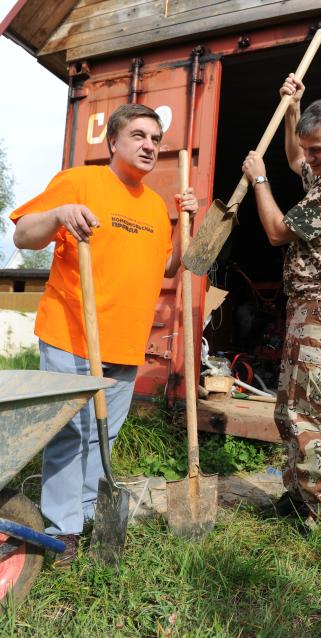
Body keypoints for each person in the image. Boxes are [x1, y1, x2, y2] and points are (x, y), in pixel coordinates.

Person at [10, 104, 198, 564]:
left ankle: (94, 516)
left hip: (124, 343)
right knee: (70, 434)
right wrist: (59, 214)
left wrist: (186, 225)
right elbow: (23, 237)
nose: (150, 145)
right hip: (72, 334)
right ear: (113, 142)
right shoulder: (80, 183)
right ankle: (64, 528)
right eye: (139, 135)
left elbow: (169, 268)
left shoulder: (155, 207)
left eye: (156, 138)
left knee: (103, 437)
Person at [242, 74, 321, 530]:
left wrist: (259, 181)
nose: (309, 159)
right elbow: (296, 155)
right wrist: (293, 106)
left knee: (316, 414)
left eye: (318, 150)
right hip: (306, 309)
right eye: (309, 149)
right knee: (289, 412)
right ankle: (299, 498)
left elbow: (277, 232)